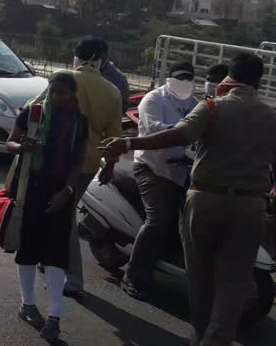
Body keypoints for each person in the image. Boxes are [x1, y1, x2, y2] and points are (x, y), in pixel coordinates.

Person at [100, 53, 276, 346]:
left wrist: (128, 142)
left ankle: (200, 335)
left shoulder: (211, 107)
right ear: (259, 81)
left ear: (228, 79)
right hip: (250, 206)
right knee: (233, 283)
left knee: (200, 278)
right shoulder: (270, 117)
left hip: (206, 200)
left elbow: (179, 135)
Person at [7, 72, 89, 342]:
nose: (55, 97)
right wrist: (22, 147)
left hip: (60, 193)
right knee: (28, 248)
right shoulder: (32, 114)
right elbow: (10, 142)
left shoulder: (79, 122)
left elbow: (77, 162)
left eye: (61, 93)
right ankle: (27, 305)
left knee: (55, 254)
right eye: (52, 91)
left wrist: (66, 192)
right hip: (31, 188)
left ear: (72, 95)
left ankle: (54, 317)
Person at [38, 38, 122, 298]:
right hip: (88, 163)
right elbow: (114, 136)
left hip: (56, 160)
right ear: (102, 62)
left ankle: (73, 278)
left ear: (76, 57)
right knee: (54, 210)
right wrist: (110, 166)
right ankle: (47, 258)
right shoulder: (112, 91)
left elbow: (35, 107)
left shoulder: (63, 79)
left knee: (63, 217)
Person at [120, 61, 199, 299]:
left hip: (183, 172)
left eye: (188, 78)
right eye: (180, 78)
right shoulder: (154, 100)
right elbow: (155, 130)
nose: (184, 83)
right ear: (169, 78)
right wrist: (185, 133)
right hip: (152, 168)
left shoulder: (195, 105)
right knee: (158, 221)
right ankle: (133, 275)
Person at [97, 39, 130, 112]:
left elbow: (123, 107)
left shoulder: (119, 79)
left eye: (98, 55)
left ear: (105, 55)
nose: (94, 59)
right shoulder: (82, 73)